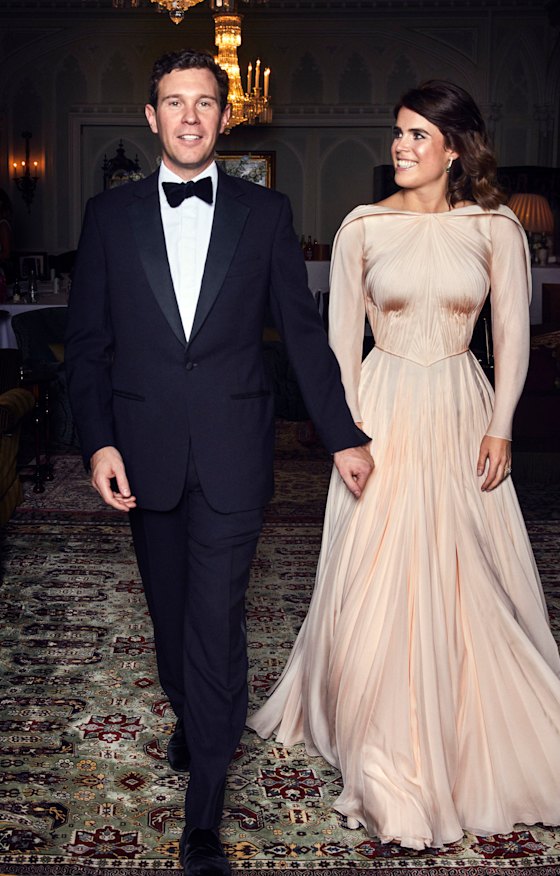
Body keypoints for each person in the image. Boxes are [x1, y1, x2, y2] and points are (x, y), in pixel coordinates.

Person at [248, 80, 560, 850]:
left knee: (469, 569)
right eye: (397, 132)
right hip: (383, 410)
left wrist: (501, 425)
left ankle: (468, 725)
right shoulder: (362, 225)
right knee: (377, 569)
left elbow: (512, 337)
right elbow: (338, 345)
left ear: (455, 148)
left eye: (417, 135)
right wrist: (346, 433)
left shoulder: (494, 227)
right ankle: (381, 740)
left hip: (464, 413)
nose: (400, 145)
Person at [65, 49, 373, 876]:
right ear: (152, 115)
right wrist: (98, 441)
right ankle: (194, 715)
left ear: (226, 115)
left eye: (205, 102)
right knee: (171, 623)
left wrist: (342, 433)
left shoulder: (265, 213)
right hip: (145, 453)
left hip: (237, 453)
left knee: (215, 621)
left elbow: (302, 339)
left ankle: (203, 810)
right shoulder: (108, 216)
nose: (191, 117)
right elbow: (87, 347)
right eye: (175, 102)